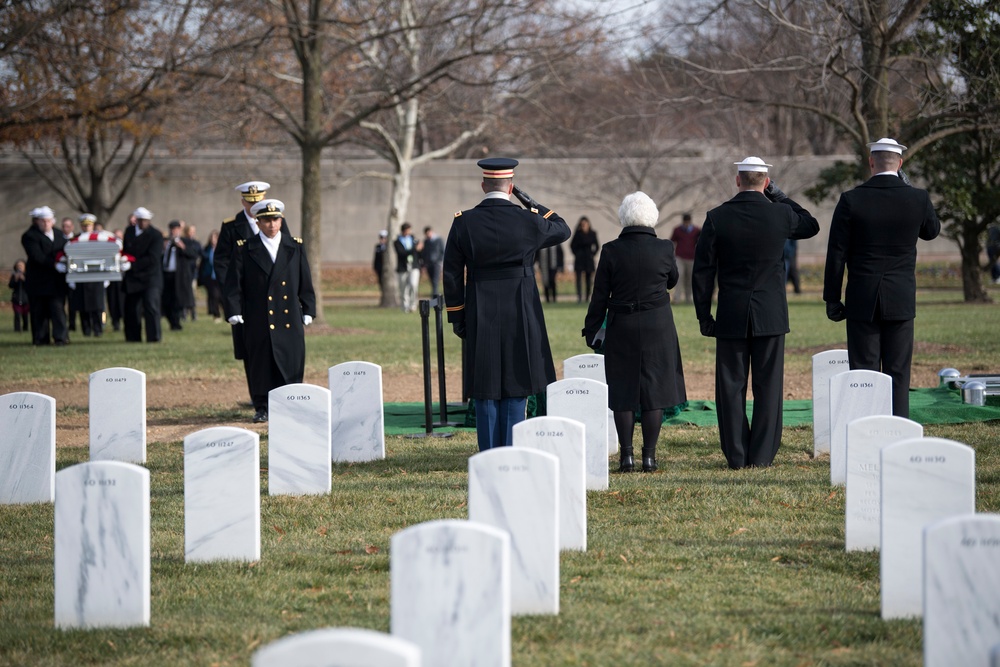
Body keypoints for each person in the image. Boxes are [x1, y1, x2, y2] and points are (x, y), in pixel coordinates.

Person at [693, 157, 819, 469]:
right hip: (771, 313)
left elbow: (703, 271)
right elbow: (811, 224)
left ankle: (736, 455)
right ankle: (762, 456)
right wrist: (779, 194)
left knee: (730, 387)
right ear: (765, 182)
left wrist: (703, 315)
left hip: (732, 312)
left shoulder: (717, 217)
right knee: (769, 386)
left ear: (737, 181)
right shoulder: (781, 214)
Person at [444, 157, 571, 450]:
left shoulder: (464, 221)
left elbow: (451, 273)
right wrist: (531, 202)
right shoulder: (528, 220)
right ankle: (515, 449)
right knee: (517, 382)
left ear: (482, 185)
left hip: (480, 309)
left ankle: (488, 452)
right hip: (520, 309)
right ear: (511, 186)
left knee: (486, 386)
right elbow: (562, 228)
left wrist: (458, 316)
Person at [823, 138, 941, 419]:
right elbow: (931, 231)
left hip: (863, 296)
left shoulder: (851, 199)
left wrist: (832, 298)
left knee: (863, 372)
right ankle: (897, 430)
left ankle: (865, 429)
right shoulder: (918, 198)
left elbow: (836, 253)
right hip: (900, 296)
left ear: (871, 162)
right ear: (900, 164)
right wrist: (910, 189)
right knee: (898, 371)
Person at [582, 192, 687, 473]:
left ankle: (626, 457)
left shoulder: (610, 250)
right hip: (658, 325)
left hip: (622, 325)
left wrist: (592, 328)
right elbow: (672, 281)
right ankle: (649, 457)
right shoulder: (665, 248)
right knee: (655, 389)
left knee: (623, 389)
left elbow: (600, 295)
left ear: (624, 217)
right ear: (651, 217)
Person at [223, 199, 316, 423]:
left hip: (289, 315)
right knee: (260, 363)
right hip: (257, 316)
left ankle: (292, 403)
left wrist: (308, 308)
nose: (271, 225)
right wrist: (234, 310)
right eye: (266, 220)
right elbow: (234, 283)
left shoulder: (295, 246)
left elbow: (305, 281)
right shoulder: (246, 248)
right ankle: (262, 406)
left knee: (291, 359)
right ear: (258, 221)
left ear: (281, 220)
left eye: (275, 219)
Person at [215, 181, 289, 404]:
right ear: (243, 201)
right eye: (250, 201)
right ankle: (258, 395)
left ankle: (279, 395)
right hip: (248, 299)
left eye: (258, 200)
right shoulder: (231, 226)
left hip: (275, 298)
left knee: (280, 347)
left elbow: (288, 255)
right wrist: (232, 291)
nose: (254, 204)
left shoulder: (276, 222)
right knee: (252, 349)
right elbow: (221, 262)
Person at [20, 206, 69, 346]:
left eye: (48, 221)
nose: (46, 224)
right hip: (38, 282)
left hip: (56, 282)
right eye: (43, 221)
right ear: (38, 222)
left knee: (58, 310)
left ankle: (60, 338)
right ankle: (41, 339)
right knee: (39, 312)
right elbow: (37, 256)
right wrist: (54, 264)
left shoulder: (60, 235)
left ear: (52, 221)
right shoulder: (30, 236)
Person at [122, 207, 164, 343]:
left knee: (151, 307)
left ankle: (154, 337)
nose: (143, 223)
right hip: (133, 278)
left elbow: (153, 258)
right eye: (141, 220)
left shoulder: (156, 235)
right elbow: (126, 250)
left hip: (150, 277)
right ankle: (133, 337)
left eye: (145, 221)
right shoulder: (129, 232)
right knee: (132, 308)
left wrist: (133, 264)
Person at [67, 214, 110, 337]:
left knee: (98, 306)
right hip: (81, 276)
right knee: (83, 306)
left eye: (89, 225)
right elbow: (72, 258)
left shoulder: (100, 239)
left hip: (96, 275)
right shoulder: (75, 239)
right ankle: (86, 329)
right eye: (84, 225)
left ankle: (98, 328)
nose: (86, 228)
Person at [161, 220, 197, 331]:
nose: (173, 231)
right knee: (166, 301)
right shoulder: (166, 242)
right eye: (172, 229)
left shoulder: (185, 241)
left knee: (177, 301)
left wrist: (183, 247)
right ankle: (172, 322)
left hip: (179, 276)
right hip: (166, 274)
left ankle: (176, 324)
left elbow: (193, 254)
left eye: (176, 229)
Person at [669, 212, 700, 303]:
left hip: (692, 258)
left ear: (690, 221)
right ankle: (677, 299)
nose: (686, 224)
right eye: (685, 222)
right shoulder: (677, 230)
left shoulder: (696, 230)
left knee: (690, 279)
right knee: (679, 277)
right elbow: (672, 242)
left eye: (688, 222)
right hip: (680, 258)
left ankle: (689, 299)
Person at [394, 222, 422, 312]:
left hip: (414, 266)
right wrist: (414, 249)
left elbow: (419, 251)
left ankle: (413, 305)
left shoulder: (413, 239)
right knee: (403, 288)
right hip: (403, 267)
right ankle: (404, 307)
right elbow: (402, 253)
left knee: (413, 285)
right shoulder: (397, 242)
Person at [570, 216, 599, 303]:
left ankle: (587, 297)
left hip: (589, 259)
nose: (584, 226)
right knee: (578, 279)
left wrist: (592, 254)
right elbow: (572, 245)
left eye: (585, 224)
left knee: (588, 280)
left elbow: (597, 246)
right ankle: (579, 297)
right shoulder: (577, 234)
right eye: (582, 224)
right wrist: (576, 254)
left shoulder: (592, 233)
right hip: (579, 259)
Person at [199, 229, 223, 321]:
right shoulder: (207, 248)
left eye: (215, 237)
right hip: (210, 276)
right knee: (214, 295)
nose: (213, 239)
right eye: (212, 238)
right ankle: (216, 314)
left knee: (221, 296)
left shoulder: (222, 248)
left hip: (219, 276)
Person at [60, 217, 79, 331]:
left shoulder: (76, 239)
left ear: (72, 227)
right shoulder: (58, 238)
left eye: (68, 226)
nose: (65, 228)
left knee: (73, 302)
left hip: (74, 273)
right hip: (61, 273)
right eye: (63, 226)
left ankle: (72, 324)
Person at [106, 228, 125, 331]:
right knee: (113, 301)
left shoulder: (125, 247)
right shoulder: (110, 247)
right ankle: (115, 322)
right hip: (112, 277)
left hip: (123, 278)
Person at [182, 224, 202, 321]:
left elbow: (199, 254)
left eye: (193, 231)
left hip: (192, 272)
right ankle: (184, 312)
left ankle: (193, 313)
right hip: (183, 272)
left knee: (192, 293)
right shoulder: (183, 242)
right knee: (184, 293)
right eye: (190, 231)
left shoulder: (196, 243)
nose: (192, 233)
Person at [421, 225, 445, 296]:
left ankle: (434, 296)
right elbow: (424, 253)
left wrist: (440, 261)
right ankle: (435, 294)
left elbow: (442, 251)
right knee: (432, 281)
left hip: (436, 263)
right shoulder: (426, 241)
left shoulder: (439, 240)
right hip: (429, 264)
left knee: (435, 280)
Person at [9, 259, 29, 333]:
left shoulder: (27, 275)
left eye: (21, 266)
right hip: (16, 298)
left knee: (25, 315)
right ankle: (17, 329)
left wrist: (24, 279)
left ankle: (25, 328)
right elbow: (10, 285)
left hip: (25, 299)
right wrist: (16, 279)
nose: (19, 267)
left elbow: (30, 285)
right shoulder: (14, 276)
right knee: (17, 315)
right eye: (18, 266)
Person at [373, 229, 388, 300]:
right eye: (381, 237)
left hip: (387, 268)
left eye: (384, 238)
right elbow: (376, 258)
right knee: (381, 282)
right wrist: (375, 267)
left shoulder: (388, 247)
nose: (383, 239)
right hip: (380, 267)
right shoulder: (378, 247)